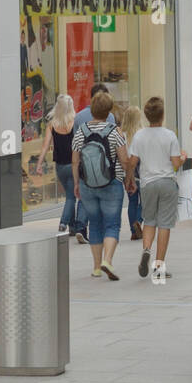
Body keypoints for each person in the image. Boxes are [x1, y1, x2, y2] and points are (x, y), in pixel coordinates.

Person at [72, 90, 131, 281]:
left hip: (87, 184)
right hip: (112, 183)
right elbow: (124, 160)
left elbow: (75, 161)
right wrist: (128, 179)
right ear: (109, 111)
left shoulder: (81, 131)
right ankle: (108, 260)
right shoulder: (115, 131)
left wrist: (76, 183)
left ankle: (96, 267)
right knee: (112, 223)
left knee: (95, 223)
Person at [128, 97, 186, 282]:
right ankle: (159, 266)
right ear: (162, 115)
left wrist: (129, 178)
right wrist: (183, 158)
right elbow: (176, 164)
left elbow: (132, 161)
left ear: (146, 115)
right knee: (165, 224)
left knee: (150, 220)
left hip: (148, 183)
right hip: (167, 181)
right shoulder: (169, 135)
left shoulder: (139, 136)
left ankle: (146, 249)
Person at [35, 94, 87, 241]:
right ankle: (63, 223)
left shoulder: (52, 125)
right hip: (74, 164)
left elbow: (45, 146)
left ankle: (72, 228)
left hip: (60, 167)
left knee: (69, 194)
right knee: (72, 197)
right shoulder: (74, 122)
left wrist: (39, 164)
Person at [121, 104, 145, 241]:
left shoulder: (121, 134)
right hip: (141, 169)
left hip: (127, 169)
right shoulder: (142, 133)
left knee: (132, 201)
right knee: (145, 201)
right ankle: (139, 221)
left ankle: (133, 230)